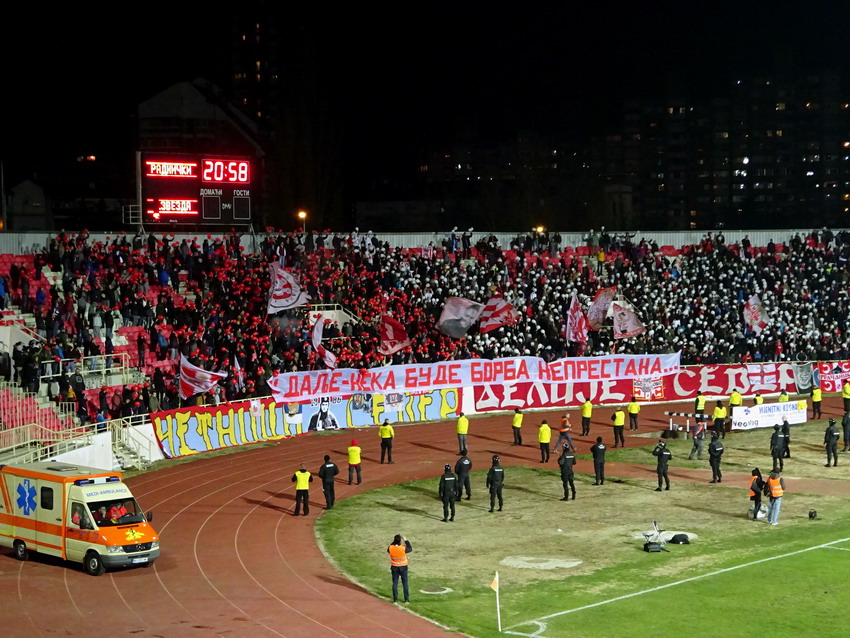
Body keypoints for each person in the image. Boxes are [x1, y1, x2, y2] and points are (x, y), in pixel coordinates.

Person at [387, 534, 412, 603]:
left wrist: (395, 542)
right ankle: (406, 599)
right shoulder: (403, 548)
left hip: (394, 567)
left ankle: (395, 599)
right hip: (403, 567)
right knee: (405, 583)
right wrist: (406, 540)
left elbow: (389, 549)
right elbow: (410, 548)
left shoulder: (390, 548)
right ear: (400, 541)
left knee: (395, 583)